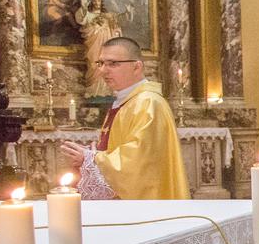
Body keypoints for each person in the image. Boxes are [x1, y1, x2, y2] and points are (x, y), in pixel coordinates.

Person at [61, 37, 188, 201]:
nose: (103, 70)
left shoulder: (148, 102)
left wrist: (92, 158)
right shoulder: (126, 101)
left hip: (147, 203)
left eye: (113, 64)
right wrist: (93, 152)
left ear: (137, 66)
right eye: (101, 63)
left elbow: (140, 160)